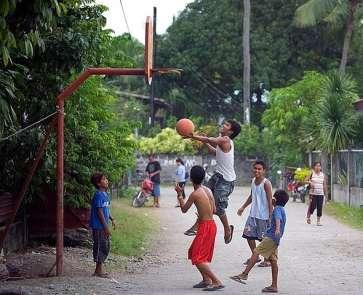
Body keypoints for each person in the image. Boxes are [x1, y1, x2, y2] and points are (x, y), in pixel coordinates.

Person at [184, 120, 241, 244]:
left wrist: (194, 136)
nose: (223, 125)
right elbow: (216, 152)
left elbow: (210, 140)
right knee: (203, 196)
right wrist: (204, 141)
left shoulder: (225, 139)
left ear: (230, 131)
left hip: (226, 181)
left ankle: (227, 229)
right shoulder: (223, 141)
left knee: (218, 208)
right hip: (217, 177)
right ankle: (197, 226)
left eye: (226, 125)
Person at [175, 165, 224, 291]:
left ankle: (216, 281)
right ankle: (206, 279)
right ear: (203, 178)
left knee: (197, 258)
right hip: (211, 224)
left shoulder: (195, 194)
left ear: (191, 178)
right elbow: (214, 210)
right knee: (193, 252)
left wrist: (180, 195)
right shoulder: (208, 190)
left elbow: (184, 210)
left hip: (206, 227)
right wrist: (203, 214)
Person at [230, 189, 289, 293]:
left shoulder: (277, 210)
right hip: (275, 239)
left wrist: (277, 229)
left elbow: (278, 219)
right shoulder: (282, 209)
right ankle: (274, 285)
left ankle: (244, 274)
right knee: (273, 261)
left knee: (256, 252)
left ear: (274, 200)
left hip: (271, 238)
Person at [237, 160, 273, 267]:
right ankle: (255, 256)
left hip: (264, 216)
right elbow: (252, 196)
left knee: (264, 239)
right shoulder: (253, 181)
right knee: (249, 235)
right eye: (255, 168)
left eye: (259, 169)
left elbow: (270, 200)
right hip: (253, 215)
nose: (257, 170)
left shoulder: (266, 183)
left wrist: (271, 216)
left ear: (264, 171)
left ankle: (267, 260)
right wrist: (243, 207)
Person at [89, 172, 116, 278]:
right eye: (104, 179)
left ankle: (99, 269)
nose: (107, 181)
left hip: (103, 226)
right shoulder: (98, 195)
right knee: (100, 246)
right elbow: (99, 212)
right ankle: (98, 271)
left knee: (105, 245)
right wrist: (106, 227)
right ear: (98, 183)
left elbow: (106, 209)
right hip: (99, 226)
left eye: (106, 179)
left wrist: (112, 218)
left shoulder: (105, 194)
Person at [306, 161, 327, 226]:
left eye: (319, 166)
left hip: (321, 193)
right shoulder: (311, 173)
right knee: (312, 206)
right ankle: (308, 217)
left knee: (319, 207)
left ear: (321, 167)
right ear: (314, 167)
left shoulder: (323, 175)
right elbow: (305, 180)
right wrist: (310, 182)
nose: (318, 167)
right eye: (316, 166)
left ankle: (318, 221)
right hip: (313, 194)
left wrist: (326, 195)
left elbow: (324, 185)